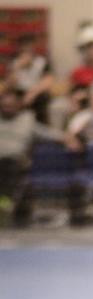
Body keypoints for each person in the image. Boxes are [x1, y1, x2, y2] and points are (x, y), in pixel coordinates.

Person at [0, 86, 67, 227]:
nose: (7, 108)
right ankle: (4, 204)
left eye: (10, 105)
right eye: (4, 105)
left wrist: (66, 138)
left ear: (18, 105)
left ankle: (4, 204)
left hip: (15, 162)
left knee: (10, 166)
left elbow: (47, 133)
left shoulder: (27, 121)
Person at [5, 35, 55, 125]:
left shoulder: (42, 61)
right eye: (24, 47)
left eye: (29, 46)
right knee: (9, 101)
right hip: (18, 92)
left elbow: (48, 81)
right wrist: (17, 68)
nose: (27, 50)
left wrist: (32, 93)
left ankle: (40, 130)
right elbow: (9, 85)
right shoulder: (15, 62)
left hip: (36, 92)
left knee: (41, 99)